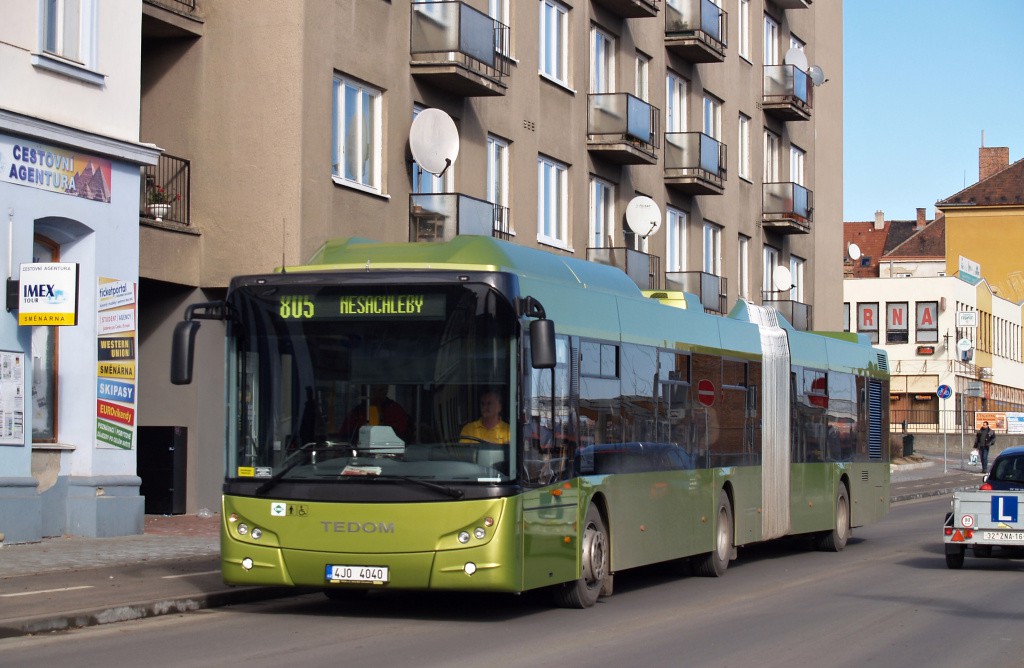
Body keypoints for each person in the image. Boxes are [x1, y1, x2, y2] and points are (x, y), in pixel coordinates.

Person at [340, 385, 410, 441]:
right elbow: (344, 436)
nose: (376, 394)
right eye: (373, 390)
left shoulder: (395, 411)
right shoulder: (358, 412)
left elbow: (402, 435)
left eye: (380, 390)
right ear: (367, 390)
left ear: (386, 390)